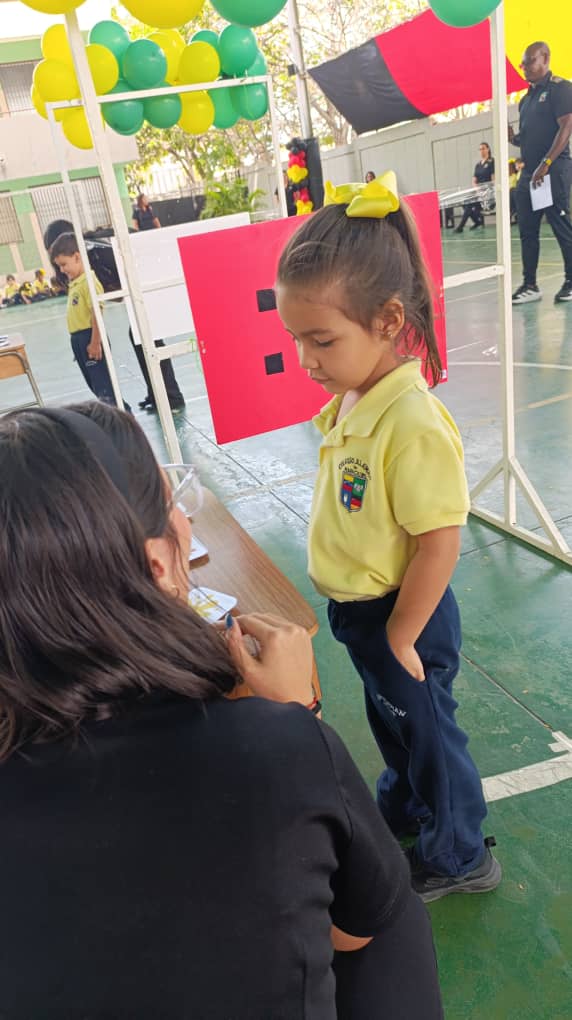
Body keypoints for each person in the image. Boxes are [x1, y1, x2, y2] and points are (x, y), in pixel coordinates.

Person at [0, 403, 444, 1020]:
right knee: (392, 915)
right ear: (158, 564)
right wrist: (297, 719)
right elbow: (351, 931)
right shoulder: (274, 749)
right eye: (172, 506)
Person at [275, 173, 502, 903]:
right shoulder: (356, 396)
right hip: (364, 617)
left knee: (431, 737)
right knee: (394, 723)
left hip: (404, 616)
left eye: (321, 340)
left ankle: (460, 853)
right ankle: (406, 805)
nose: (306, 358)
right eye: (296, 339)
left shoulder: (411, 420)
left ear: (387, 320)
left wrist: (403, 634)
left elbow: (439, 541)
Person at [44, 219, 186, 413]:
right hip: (141, 276)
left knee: (143, 334)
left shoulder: (96, 252)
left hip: (155, 271)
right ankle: (159, 394)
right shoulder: (86, 257)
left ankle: (170, 397)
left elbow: (126, 284)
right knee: (138, 333)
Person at [510, 42, 572, 304]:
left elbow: (567, 126)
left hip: (551, 170)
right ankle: (530, 284)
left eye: (529, 61)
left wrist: (546, 163)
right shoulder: (526, 100)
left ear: (545, 58)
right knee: (527, 230)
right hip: (530, 174)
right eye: (522, 63)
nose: (524, 67)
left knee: (560, 224)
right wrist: (512, 138)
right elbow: (527, 139)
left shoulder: (561, 89)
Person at [50, 232, 130, 410]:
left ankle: (124, 416)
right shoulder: (76, 282)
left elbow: (97, 314)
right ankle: (119, 415)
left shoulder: (89, 282)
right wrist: (78, 346)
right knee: (96, 386)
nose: (62, 270)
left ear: (77, 257)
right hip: (80, 340)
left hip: (90, 337)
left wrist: (94, 342)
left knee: (105, 389)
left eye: (64, 264)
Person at [454, 142, 495, 233]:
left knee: (469, 203)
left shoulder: (492, 162)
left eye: (483, 148)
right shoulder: (478, 165)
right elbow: (474, 180)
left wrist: (486, 191)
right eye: (480, 149)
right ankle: (477, 221)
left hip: (487, 194)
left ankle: (461, 226)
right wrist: (477, 190)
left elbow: (493, 180)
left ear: (488, 149)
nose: (481, 151)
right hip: (478, 192)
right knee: (464, 201)